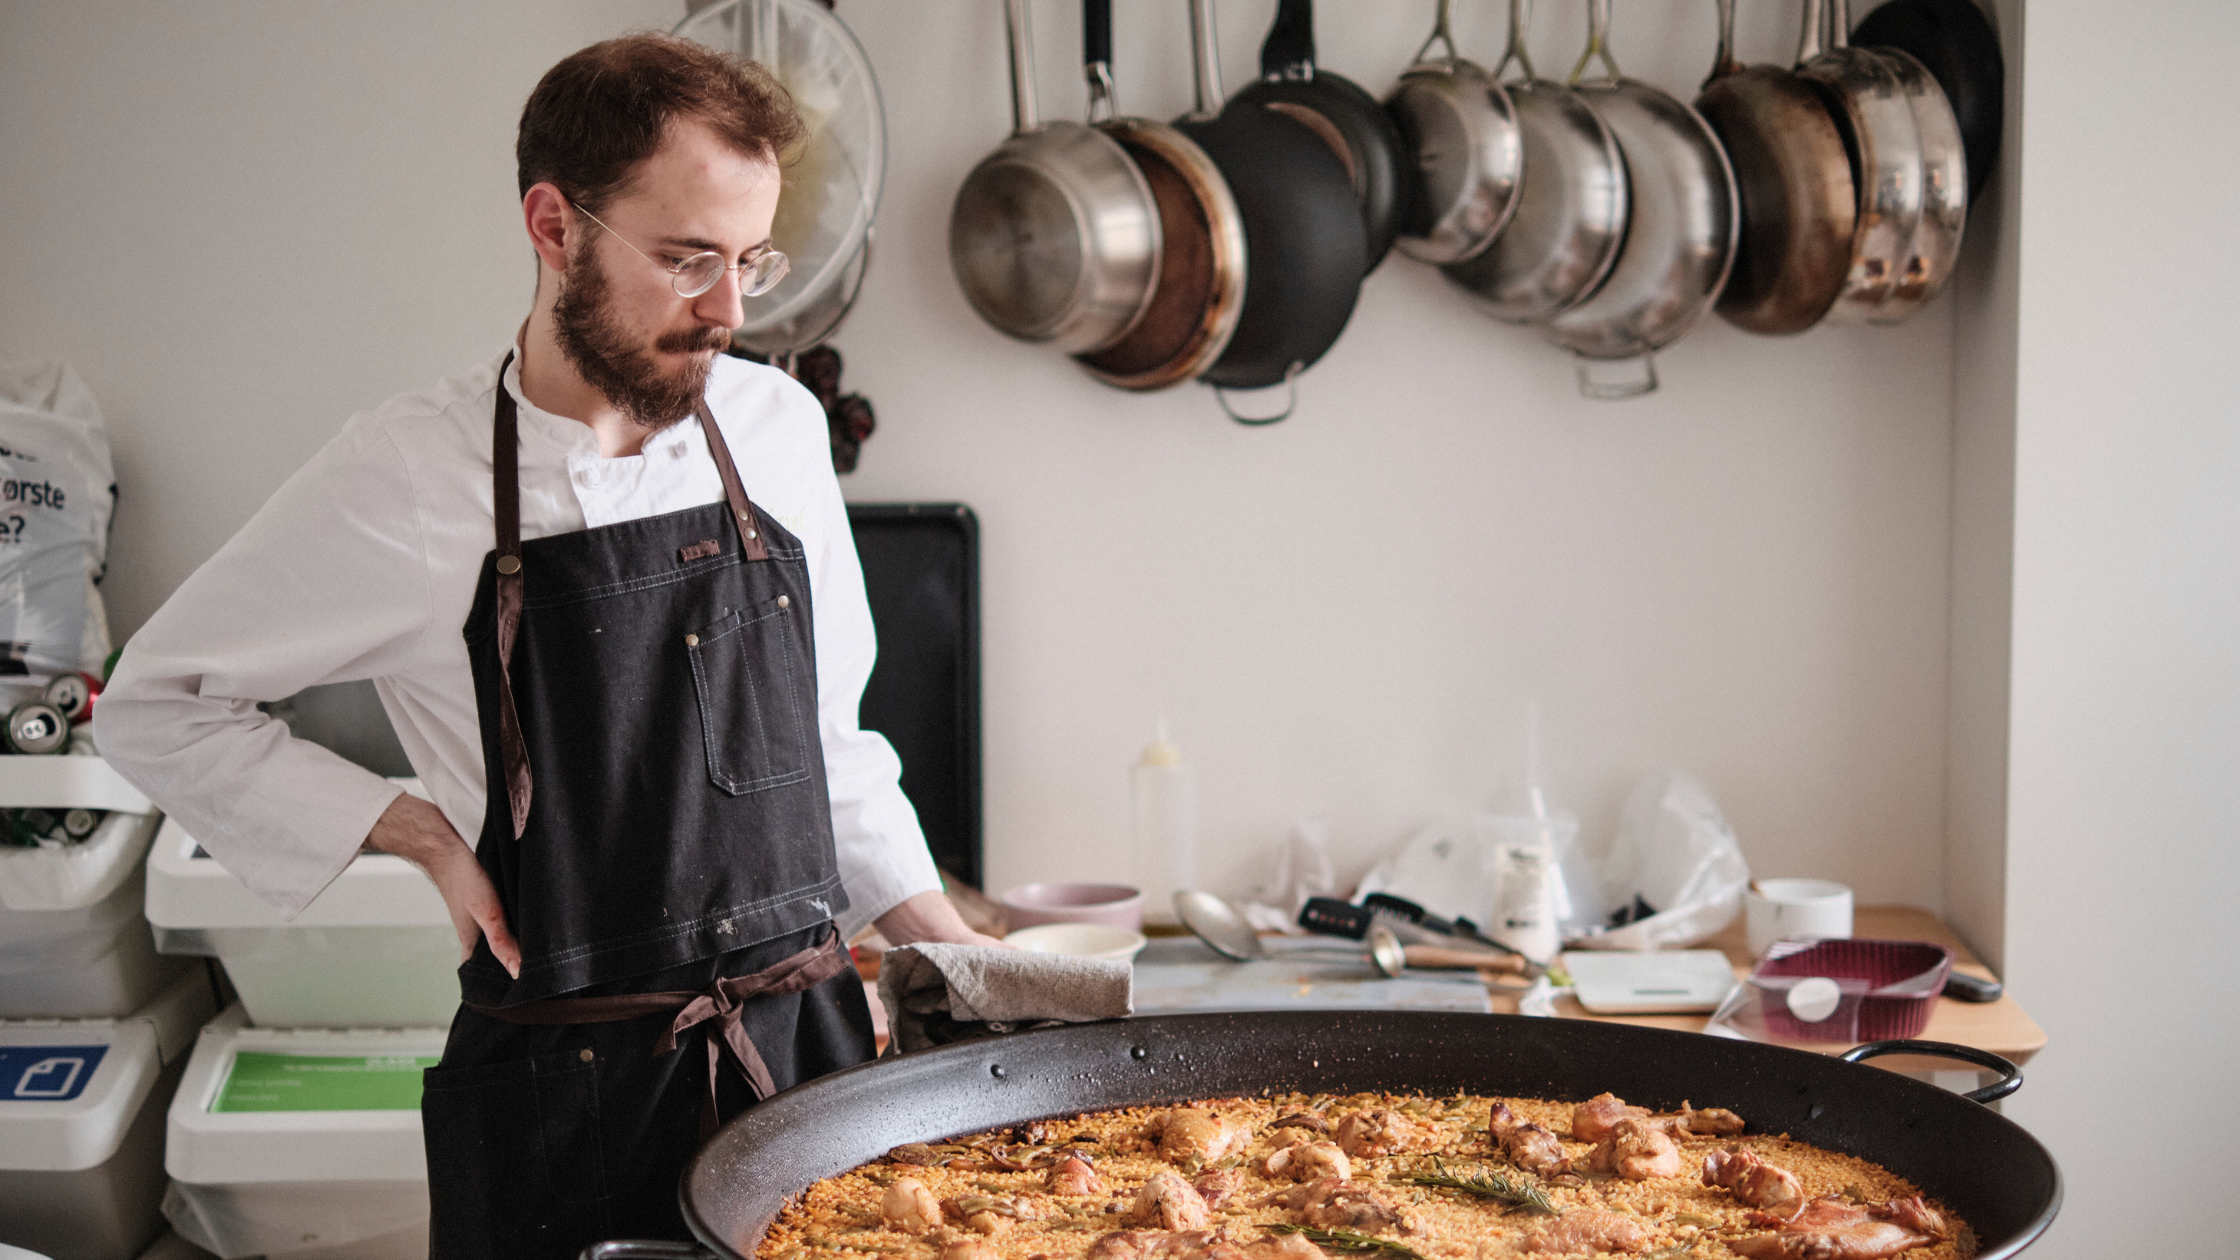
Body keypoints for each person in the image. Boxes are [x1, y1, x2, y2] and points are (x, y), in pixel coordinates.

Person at [94, 33, 997, 1258]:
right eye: (687, 261)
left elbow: (825, 742)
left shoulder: (778, 431)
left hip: (809, 1072)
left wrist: (948, 952)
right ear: (555, 225)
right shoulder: (409, 477)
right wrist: (415, 832)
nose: (729, 311)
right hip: (569, 1109)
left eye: (748, 261)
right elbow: (156, 699)